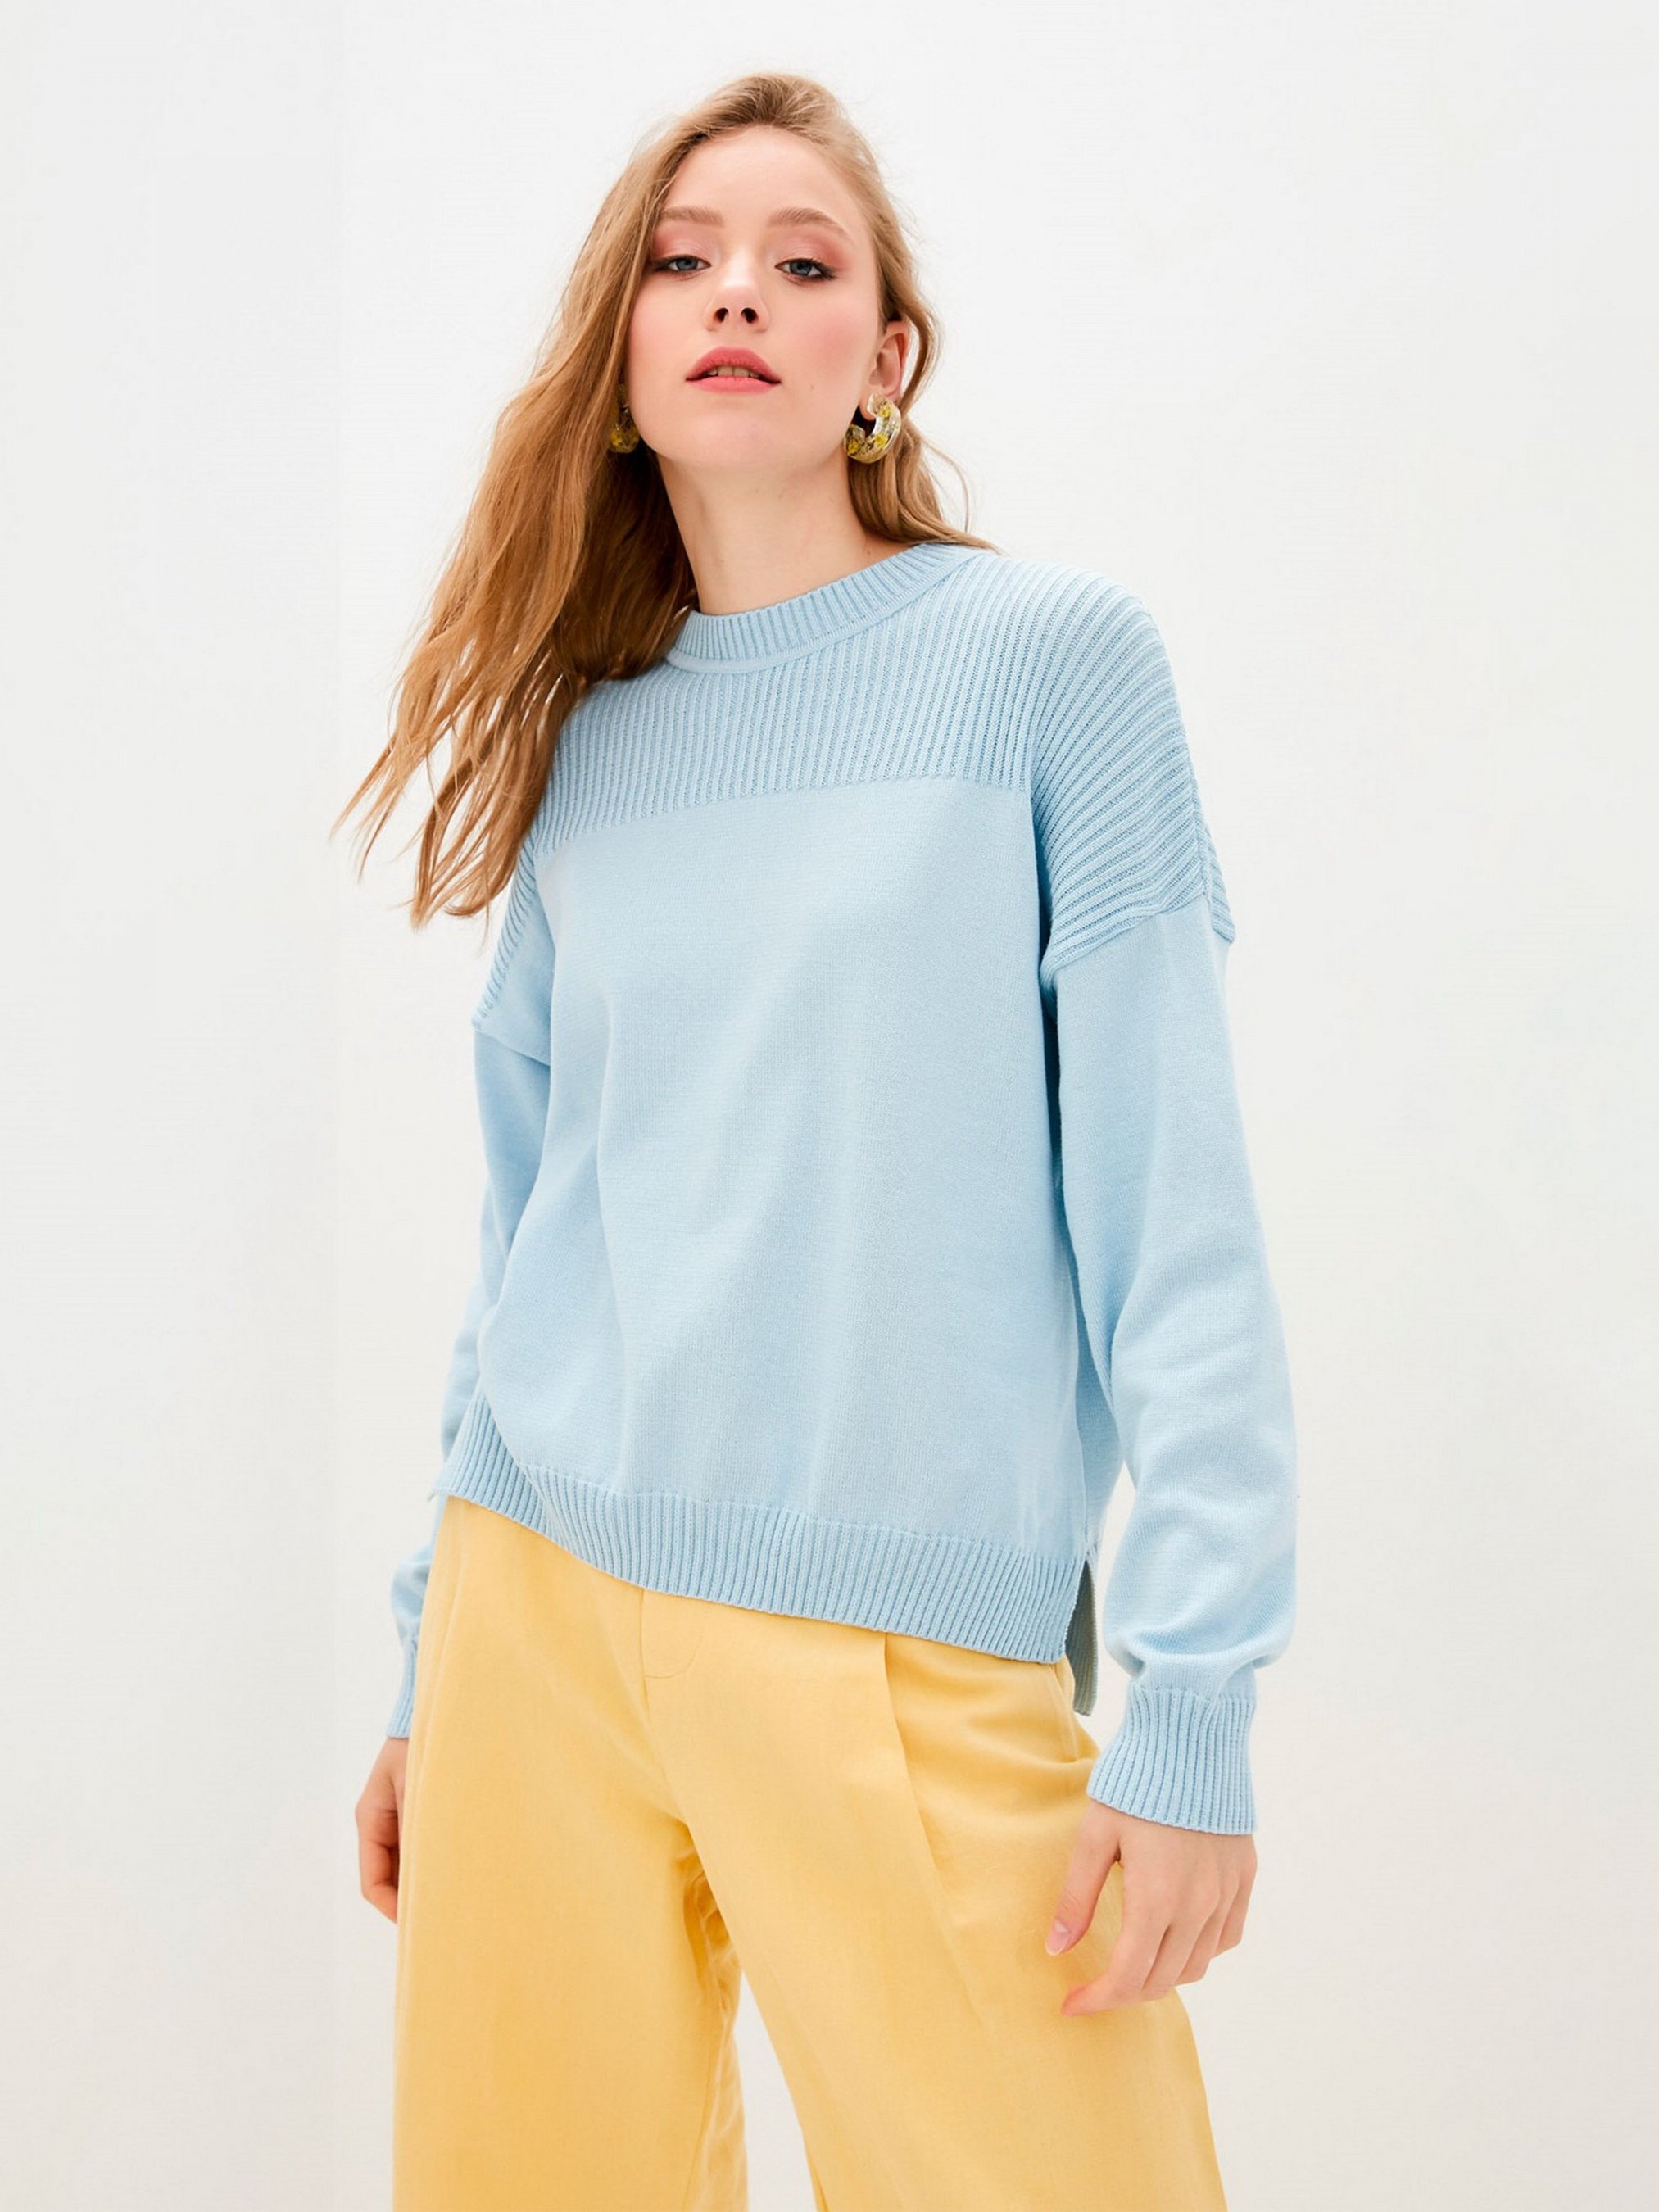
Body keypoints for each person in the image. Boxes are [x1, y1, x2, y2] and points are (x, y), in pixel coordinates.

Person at [345, 68, 1297, 2212]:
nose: (735, 295)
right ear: (619, 361)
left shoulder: (1051, 666)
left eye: (803, 260)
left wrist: (1193, 1705)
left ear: (886, 359)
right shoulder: (590, 744)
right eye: (681, 260)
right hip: (535, 1620)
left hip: (899, 1631)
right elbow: (530, 1233)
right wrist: (424, 1668)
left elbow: (1173, 1210)